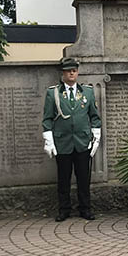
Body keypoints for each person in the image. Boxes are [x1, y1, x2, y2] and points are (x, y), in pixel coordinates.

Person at [42, 57, 102, 221]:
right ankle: (64, 209)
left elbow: (94, 117)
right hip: (63, 142)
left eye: (74, 70)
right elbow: (47, 118)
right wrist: (49, 139)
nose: (71, 73)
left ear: (77, 72)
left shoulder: (87, 92)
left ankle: (85, 208)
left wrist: (95, 136)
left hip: (82, 142)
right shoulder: (53, 93)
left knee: (84, 179)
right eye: (68, 71)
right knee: (63, 179)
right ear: (63, 73)